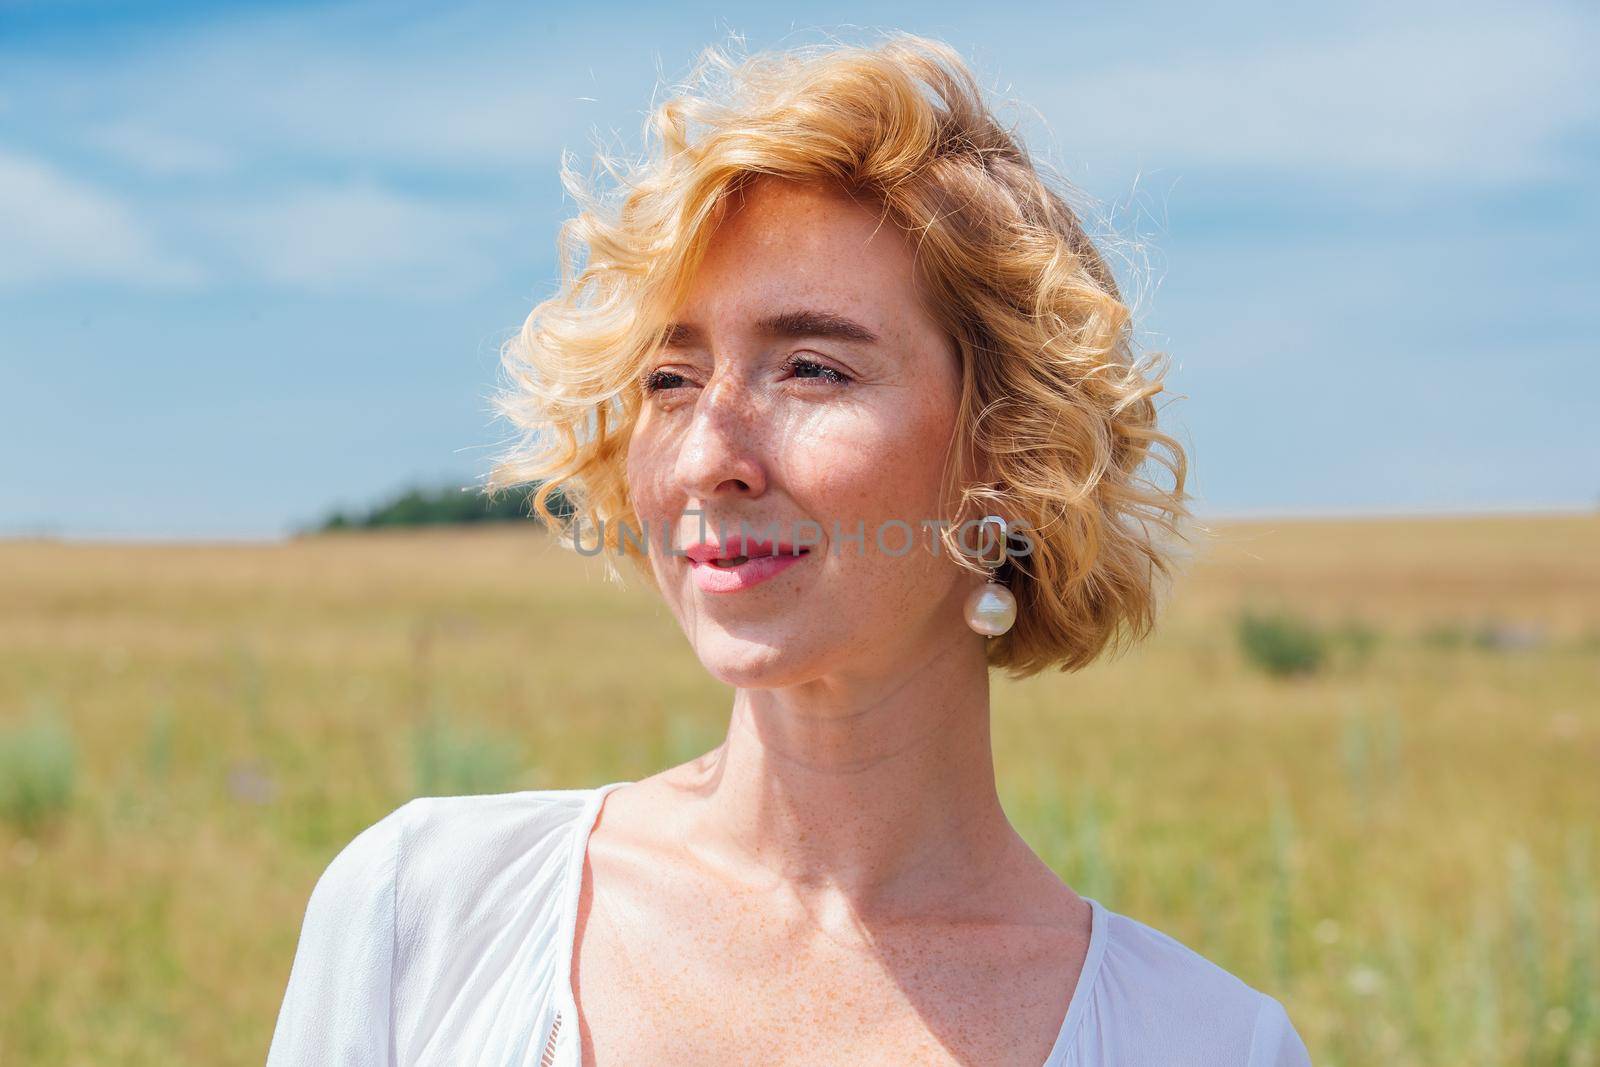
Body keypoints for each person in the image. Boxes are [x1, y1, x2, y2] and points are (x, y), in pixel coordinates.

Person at [267, 32, 1313, 1067]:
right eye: (669, 380)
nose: (710, 457)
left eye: (811, 368)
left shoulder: (1205, 1043)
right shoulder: (426, 911)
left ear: (1010, 449)